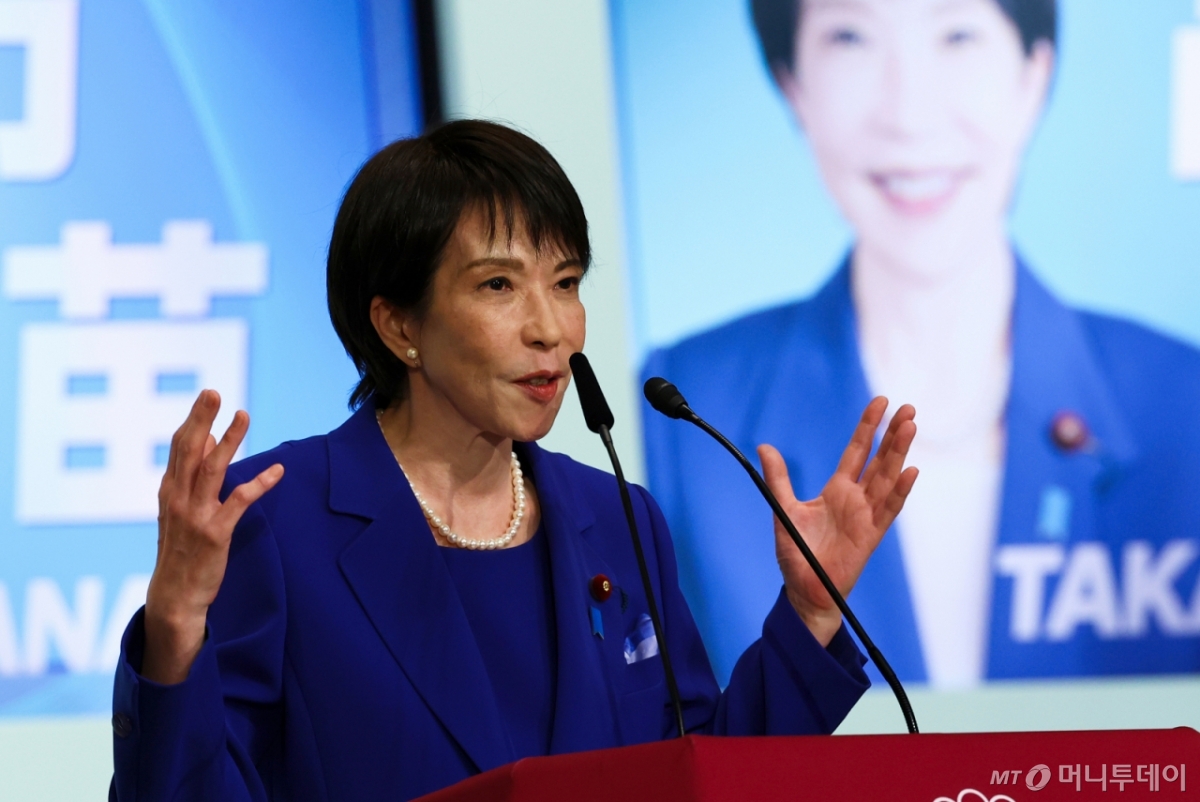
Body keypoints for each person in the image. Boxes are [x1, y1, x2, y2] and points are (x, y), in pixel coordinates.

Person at [109, 120, 918, 801]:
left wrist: (812, 612)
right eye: (499, 285)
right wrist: (175, 629)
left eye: (564, 282)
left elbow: (698, 776)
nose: (551, 329)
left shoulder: (619, 520)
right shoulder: (278, 520)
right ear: (399, 326)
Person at [642, 0, 1200, 692]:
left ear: (1034, 76)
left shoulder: (1183, 403)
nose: (907, 114)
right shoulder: (685, 419)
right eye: (852, 39)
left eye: (956, 35)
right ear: (792, 85)